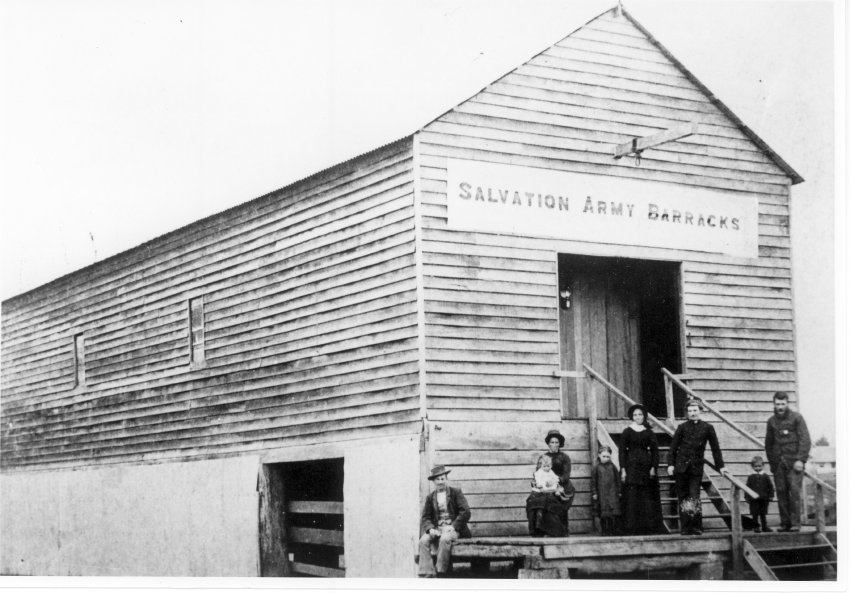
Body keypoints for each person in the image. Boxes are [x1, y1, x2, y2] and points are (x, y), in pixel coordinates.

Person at [667, 401, 725, 536]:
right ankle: (686, 528)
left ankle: (696, 527)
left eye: (695, 410)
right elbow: (673, 448)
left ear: (700, 411)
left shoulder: (708, 428)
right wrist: (671, 464)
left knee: (694, 497)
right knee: (684, 498)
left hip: (695, 469)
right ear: (687, 413)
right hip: (681, 468)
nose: (692, 413)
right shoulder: (682, 427)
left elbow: (715, 448)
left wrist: (721, 466)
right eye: (690, 411)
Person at [765, 391, 811, 532]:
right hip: (779, 464)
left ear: (787, 403)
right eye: (777, 404)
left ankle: (796, 523)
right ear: (774, 404)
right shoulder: (771, 421)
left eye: (783, 404)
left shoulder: (797, 418)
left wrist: (801, 460)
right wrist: (773, 463)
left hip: (794, 463)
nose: (780, 407)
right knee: (781, 492)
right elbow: (768, 444)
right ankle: (785, 523)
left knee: (794, 492)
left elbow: (805, 440)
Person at [418, 465, 471, 577]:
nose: (440, 482)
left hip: (453, 530)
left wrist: (453, 526)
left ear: (446, 479)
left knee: (444, 539)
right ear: (433, 481)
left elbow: (466, 512)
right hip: (437, 529)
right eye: (438, 479)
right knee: (423, 541)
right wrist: (430, 529)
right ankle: (427, 573)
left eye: (443, 479)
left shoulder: (455, 493)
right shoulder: (430, 497)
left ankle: (441, 572)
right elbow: (425, 517)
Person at [619, 404, 664, 535]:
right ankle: (632, 527)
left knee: (646, 496)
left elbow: (655, 452)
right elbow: (622, 452)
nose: (637, 417)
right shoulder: (627, 432)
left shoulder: (649, 432)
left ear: (644, 416)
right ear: (632, 417)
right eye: (635, 415)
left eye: (640, 415)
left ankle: (648, 527)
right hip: (631, 466)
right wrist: (623, 469)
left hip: (646, 466)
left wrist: (653, 467)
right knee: (632, 497)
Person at [526, 429, 575, 536]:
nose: (554, 444)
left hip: (561, 485)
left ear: (560, 444)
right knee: (532, 499)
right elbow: (537, 473)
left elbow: (566, 476)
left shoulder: (564, 457)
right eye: (552, 442)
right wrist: (536, 482)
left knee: (550, 498)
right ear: (548, 443)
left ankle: (558, 530)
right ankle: (538, 529)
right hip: (544, 484)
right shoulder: (543, 457)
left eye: (556, 442)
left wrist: (555, 481)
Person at [591, 445, 621, 536]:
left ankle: (611, 530)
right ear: (599, 455)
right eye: (604, 456)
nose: (606, 458)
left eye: (608, 457)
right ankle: (604, 531)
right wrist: (594, 492)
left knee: (612, 513)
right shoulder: (596, 467)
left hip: (612, 493)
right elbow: (593, 481)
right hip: (601, 494)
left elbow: (617, 479)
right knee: (603, 514)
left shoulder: (613, 467)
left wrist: (619, 491)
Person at [745, 455, 774, 533]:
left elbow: (770, 487)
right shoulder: (751, 477)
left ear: (763, 466)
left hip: (764, 498)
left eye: (759, 466)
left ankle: (764, 526)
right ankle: (756, 527)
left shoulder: (766, 476)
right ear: (752, 467)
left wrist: (771, 495)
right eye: (755, 466)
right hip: (753, 499)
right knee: (754, 513)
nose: (757, 468)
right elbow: (747, 487)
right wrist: (747, 497)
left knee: (763, 513)